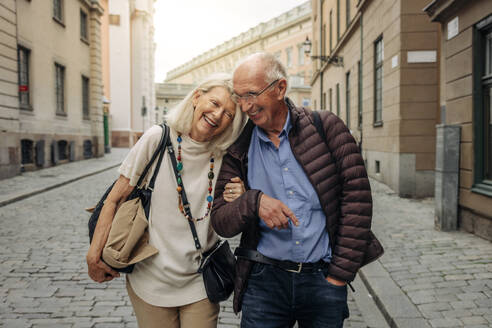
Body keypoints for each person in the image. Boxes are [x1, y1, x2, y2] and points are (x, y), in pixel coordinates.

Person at [211, 53, 383, 327]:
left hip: (322, 280)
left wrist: (339, 275)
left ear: (280, 88)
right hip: (263, 281)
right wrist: (254, 202)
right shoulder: (237, 150)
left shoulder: (326, 127)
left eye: (252, 94)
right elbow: (221, 222)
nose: (245, 106)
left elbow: (357, 201)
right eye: (239, 96)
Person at [86, 73, 248, 328]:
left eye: (228, 113)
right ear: (197, 97)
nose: (218, 115)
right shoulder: (157, 138)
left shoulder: (226, 156)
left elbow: (234, 214)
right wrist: (93, 256)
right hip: (150, 281)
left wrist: (240, 195)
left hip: (199, 282)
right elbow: (114, 200)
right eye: (215, 103)